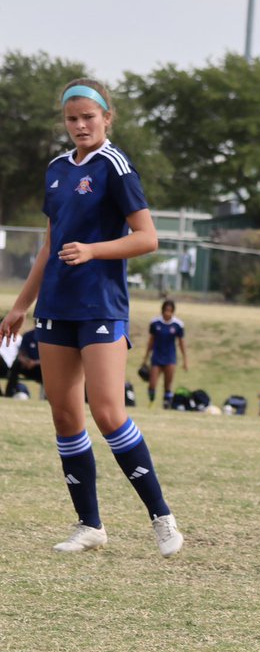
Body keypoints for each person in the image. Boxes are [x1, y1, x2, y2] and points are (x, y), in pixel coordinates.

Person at [0, 78, 183, 557]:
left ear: (107, 117)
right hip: (56, 307)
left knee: (107, 411)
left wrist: (94, 250)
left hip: (101, 306)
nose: (80, 125)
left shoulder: (116, 167)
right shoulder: (58, 169)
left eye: (88, 117)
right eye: (71, 118)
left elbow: (147, 238)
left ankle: (161, 517)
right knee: (64, 414)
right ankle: (90, 525)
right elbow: (48, 244)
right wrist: (22, 305)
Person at [141, 298, 187, 408]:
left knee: (168, 384)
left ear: (173, 311)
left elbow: (181, 343)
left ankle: (166, 404)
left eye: (170, 310)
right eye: (166, 310)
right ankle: (151, 401)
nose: (167, 313)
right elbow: (151, 341)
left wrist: (185, 359)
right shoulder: (155, 322)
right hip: (157, 356)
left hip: (170, 357)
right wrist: (145, 357)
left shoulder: (178, 325)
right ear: (162, 310)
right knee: (152, 383)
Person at [5, 325, 43, 398]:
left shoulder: (48, 338)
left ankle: (46, 396)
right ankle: (9, 393)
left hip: (41, 367)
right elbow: (21, 353)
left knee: (50, 368)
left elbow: (51, 358)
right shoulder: (28, 335)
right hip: (28, 365)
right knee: (16, 364)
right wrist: (26, 361)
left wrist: (35, 363)